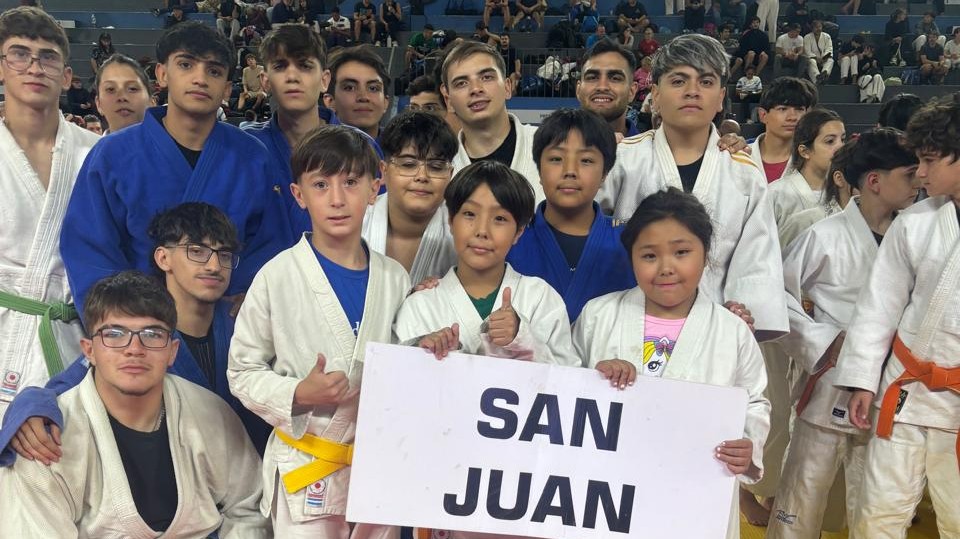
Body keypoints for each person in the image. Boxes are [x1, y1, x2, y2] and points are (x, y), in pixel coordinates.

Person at [228, 125, 409, 537]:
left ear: (375, 188)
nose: (337, 199)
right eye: (321, 184)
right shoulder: (276, 276)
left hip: (374, 469)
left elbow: (404, 367)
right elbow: (241, 370)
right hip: (306, 465)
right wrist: (297, 394)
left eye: (350, 182)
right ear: (298, 195)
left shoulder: (395, 279)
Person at [0, 203, 274, 467]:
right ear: (163, 258)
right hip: (163, 476)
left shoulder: (246, 320)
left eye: (224, 255)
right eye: (197, 251)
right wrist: (30, 407)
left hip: (249, 475)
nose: (214, 265)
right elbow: (62, 387)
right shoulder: (138, 331)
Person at [0, 271, 268, 537]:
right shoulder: (44, 442)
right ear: (89, 350)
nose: (134, 348)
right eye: (115, 334)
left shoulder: (211, 413)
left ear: (172, 351)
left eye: (152, 334)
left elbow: (250, 507)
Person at [573, 187, 770, 539]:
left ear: (706, 254)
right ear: (630, 257)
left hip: (693, 495)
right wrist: (595, 377)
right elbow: (565, 386)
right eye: (649, 256)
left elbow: (754, 400)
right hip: (610, 490)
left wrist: (748, 444)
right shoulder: (597, 316)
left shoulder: (732, 331)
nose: (666, 268)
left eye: (681, 252)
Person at [61, 21, 291, 314]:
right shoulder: (112, 155)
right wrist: (121, 321)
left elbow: (270, 247)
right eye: (185, 65)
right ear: (161, 74)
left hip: (227, 329)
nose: (200, 78)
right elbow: (89, 251)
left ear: (227, 88)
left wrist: (250, 300)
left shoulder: (253, 157)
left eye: (214, 71)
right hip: (139, 329)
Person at [768, 129, 920, 539]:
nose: (918, 181)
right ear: (874, 181)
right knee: (802, 494)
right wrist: (822, 341)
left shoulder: (916, 235)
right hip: (831, 382)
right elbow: (776, 296)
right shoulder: (826, 234)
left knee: (877, 505)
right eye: (908, 174)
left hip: (891, 386)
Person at [597, 34, 788, 343]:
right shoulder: (622, 160)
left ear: (721, 97)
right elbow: (592, 238)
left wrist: (742, 311)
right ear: (655, 95)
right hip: (626, 325)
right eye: (678, 81)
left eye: (706, 82)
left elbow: (756, 262)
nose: (692, 92)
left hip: (712, 330)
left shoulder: (744, 173)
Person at [834, 96, 960, 538]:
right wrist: (862, 380)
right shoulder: (916, 223)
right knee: (878, 514)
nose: (920, 173)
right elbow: (878, 308)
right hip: (903, 391)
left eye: (929, 160)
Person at [0, 6, 101, 417]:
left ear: (67, 76)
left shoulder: (96, 153)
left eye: (48, 57)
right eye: (19, 54)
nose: (34, 67)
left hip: (71, 338)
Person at [394, 159, 580, 368]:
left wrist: (521, 339)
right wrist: (422, 352)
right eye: (469, 214)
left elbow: (567, 381)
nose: (482, 230)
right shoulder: (421, 305)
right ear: (450, 221)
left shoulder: (540, 298)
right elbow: (398, 381)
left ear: (518, 232)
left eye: (499, 218)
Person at [506, 108, 635, 323]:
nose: (570, 171)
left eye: (586, 160)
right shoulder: (510, 239)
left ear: (605, 173)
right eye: (556, 159)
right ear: (539, 171)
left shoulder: (632, 241)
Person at [244, 24, 347, 238]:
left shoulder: (360, 147)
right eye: (280, 66)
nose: (292, 76)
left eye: (305, 66)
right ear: (265, 81)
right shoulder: (245, 148)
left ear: (324, 80)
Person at [362, 111, 458, 285]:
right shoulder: (357, 223)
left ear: (450, 175)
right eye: (408, 164)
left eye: (436, 167)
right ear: (383, 171)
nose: (422, 176)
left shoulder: (461, 234)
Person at [440, 41, 543, 202]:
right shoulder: (439, 169)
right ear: (449, 101)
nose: (476, 89)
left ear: (508, 87)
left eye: (487, 77)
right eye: (461, 83)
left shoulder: (548, 146)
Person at [768, 108, 845, 232]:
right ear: (804, 151)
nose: (840, 147)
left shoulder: (845, 191)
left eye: (843, 139)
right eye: (830, 141)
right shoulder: (775, 194)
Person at [750, 77, 817, 183]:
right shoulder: (740, 155)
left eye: (799, 109)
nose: (792, 117)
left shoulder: (814, 161)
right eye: (783, 109)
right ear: (763, 115)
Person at [576, 39, 640, 137]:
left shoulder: (651, 151)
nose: (602, 87)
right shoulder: (550, 147)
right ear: (578, 90)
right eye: (592, 78)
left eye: (615, 78)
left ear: (632, 91)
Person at [328, 45, 391, 141]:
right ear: (330, 101)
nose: (363, 97)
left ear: (385, 103)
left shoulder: (403, 151)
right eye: (349, 88)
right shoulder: (310, 152)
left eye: (373, 88)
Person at [94, 53, 151, 134]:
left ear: (150, 101)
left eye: (132, 88)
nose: (122, 97)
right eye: (110, 89)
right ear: (98, 104)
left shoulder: (169, 146)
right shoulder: (92, 146)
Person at [803, 20, 834, 85]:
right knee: (811, 61)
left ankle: (824, 74)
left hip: (824, 57)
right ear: (812, 28)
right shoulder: (807, 37)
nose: (818, 29)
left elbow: (829, 48)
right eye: (816, 27)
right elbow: (807, 51)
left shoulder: (827, 36)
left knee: (830, 60)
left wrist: (824, 57)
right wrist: (816, 58)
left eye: (820, 27)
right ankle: (817, 77)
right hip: (813, 58)